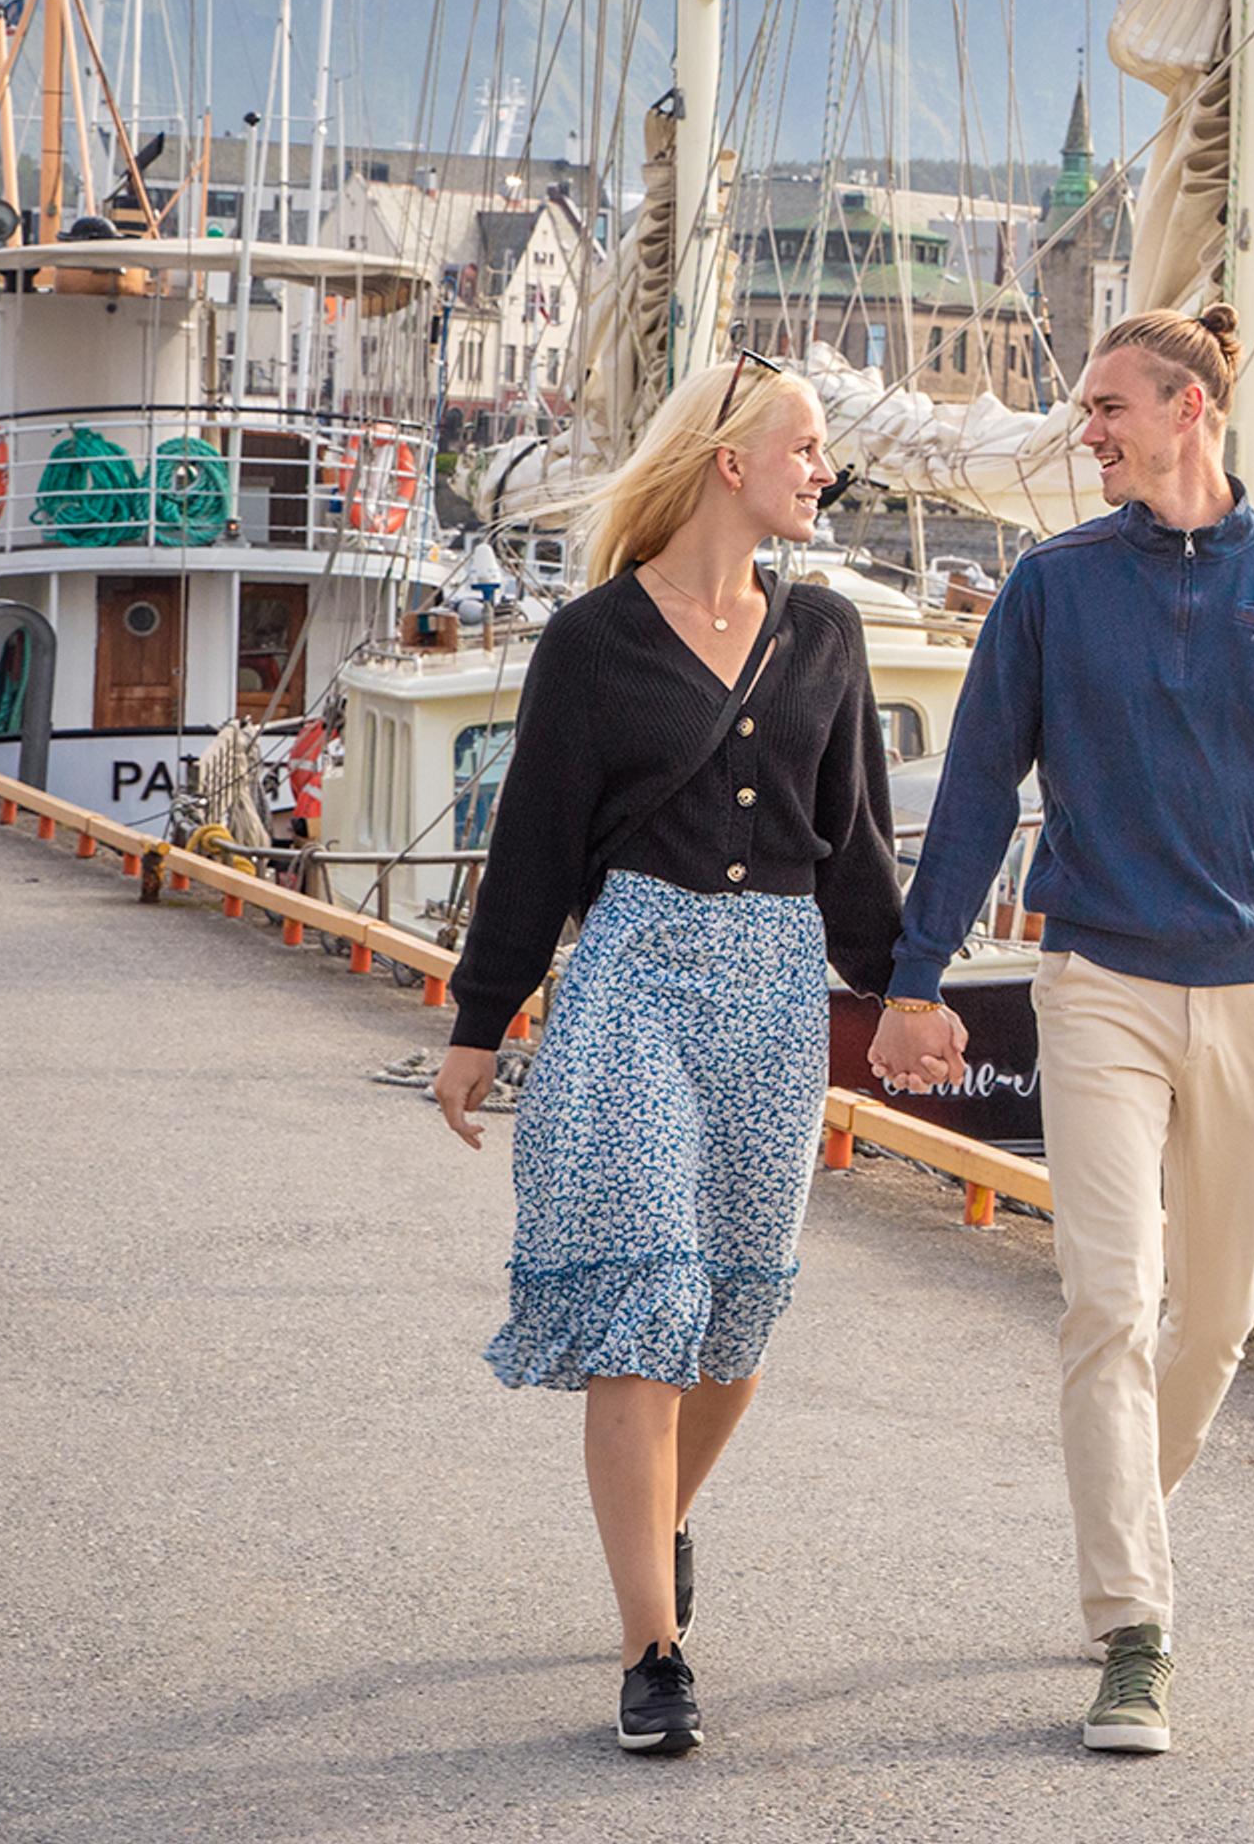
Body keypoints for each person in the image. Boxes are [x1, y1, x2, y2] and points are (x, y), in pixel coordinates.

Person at [879, 305, 1254, 1758]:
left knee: (1226, 1311)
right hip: (1097, 982)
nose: (1087, 430)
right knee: (1112, 1300)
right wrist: (918, 976)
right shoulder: (1054, 589)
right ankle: (1136, 1629)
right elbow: (979, 789)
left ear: (1189, 409)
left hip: (1253, 990)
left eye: (1109, 407)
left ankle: (1126, 1527)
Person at [430, 350, 903, 1760]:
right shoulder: (591, 643)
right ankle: (654, 1650)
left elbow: (858, 849)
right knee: (647, 1300)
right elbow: (531, 849)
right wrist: (478, 1021)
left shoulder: (826, 634)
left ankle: (663, 1529)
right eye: (809, 447)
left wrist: (907, 993)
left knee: (736, 1318)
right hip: (632, 976)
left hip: (775, 988)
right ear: (730, 463)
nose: (827, 471)